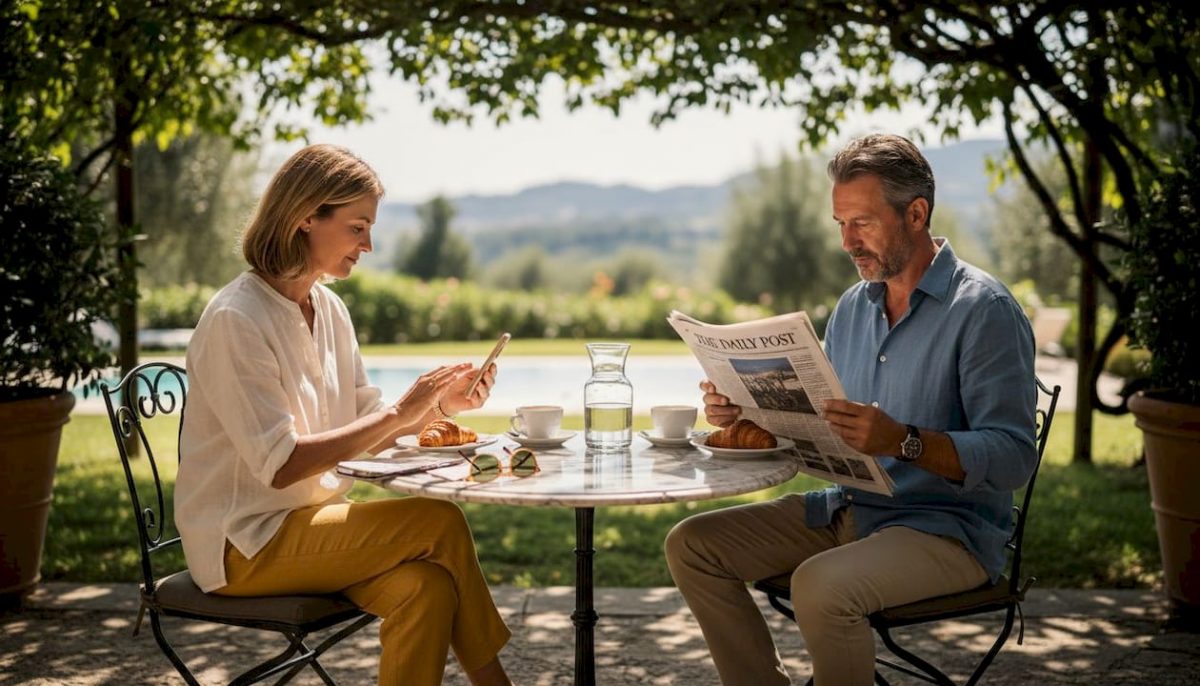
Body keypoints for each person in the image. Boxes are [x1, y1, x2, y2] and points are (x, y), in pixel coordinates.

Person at [664, 134, 1037, 685]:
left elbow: (1013, 457)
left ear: (916, 214)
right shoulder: (853, 307)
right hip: (851, 507)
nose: (847, 241)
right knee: (692, 545)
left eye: (861, 222)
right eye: (839, 223)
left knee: (820, 585)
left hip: (946, 531)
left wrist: (903, 441)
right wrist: (743, 414)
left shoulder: (983, 311)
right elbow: (822, 421)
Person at [176, 144, 512, 686]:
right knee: (438, 519)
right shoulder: (236, 319)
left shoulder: (329, 308)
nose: (369, 245)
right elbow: (281, 465)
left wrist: (442, 407)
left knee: (427, 588)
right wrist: (402, 410)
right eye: (357, 227)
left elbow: (367, 426)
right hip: (244, 544)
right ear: (306, 216)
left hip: (314, 527)